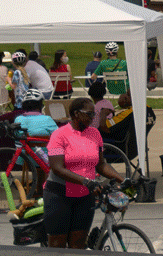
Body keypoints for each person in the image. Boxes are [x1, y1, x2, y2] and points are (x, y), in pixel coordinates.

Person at [43, 97, 126, 248]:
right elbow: (57, 167)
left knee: (79, 244)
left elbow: (101, 165)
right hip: (59, 195)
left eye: (94, 114)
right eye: (89, 114)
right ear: (75, 114)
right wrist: (86, 181)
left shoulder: (95, 134)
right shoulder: (59, 135)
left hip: (84, 196)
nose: (93, 117)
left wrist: (122, 180)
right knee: (57, 245)